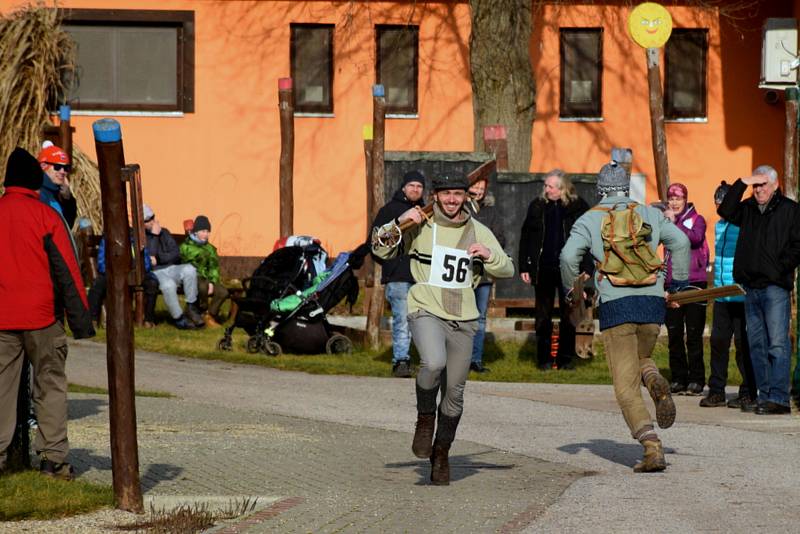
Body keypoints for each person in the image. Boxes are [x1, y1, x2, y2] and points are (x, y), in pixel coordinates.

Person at [372, 171, 513, 485]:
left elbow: (508, 267)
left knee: (455, 394)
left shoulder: (478, 230)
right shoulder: (421, 224)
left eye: (458, 194)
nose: (452, 200)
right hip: (425, 307)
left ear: (466, 197)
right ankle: (424, 420)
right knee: (433, 362)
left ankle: (442, 452)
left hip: (464, 318)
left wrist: (489, 256)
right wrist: (396, 224)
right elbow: (379, 249)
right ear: (434, 195)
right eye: (446, 193)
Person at [560, 161, 690, 473]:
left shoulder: (589, 219)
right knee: (641, 357)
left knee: (624, 385)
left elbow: (567, 257)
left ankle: (651, 446)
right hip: (651, 302)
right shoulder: (650, 213)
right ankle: (655, 380)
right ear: (627, 186)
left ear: (600, 188)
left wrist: (572, 291)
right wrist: (677, 286)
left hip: (617, 304)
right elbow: (682, 242)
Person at [0, 147, 94, 480]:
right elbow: (68, 270)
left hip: (2, 319)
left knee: (2, 389)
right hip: (42, 317)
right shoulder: (45, 215)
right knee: (50, 387)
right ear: (34, 179)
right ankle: (52, 460)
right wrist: (82, 321)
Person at [717, 165, 800, 415]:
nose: (758, 190)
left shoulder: (790, 210)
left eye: (763, 184)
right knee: (757, 345)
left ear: (775, 185)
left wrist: (780, 268)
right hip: (751, 287)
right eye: (755, 185)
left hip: (774, 287)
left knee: (777, 344)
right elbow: (725, 209)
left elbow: (798, 245)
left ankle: (779, 398)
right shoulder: (748, 209)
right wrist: (742, 180)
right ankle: (764, 396)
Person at [519, 169, 591, 371]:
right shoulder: (538, 206)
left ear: (562, 189)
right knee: (543, 315)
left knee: (569, 314)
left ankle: (565, 359)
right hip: (543, 268)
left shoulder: (578, 207)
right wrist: (524, 266)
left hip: (570, 269)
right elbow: (526, 236)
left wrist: (587, 267)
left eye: (550, 186)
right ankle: (543, 359)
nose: (546, 189)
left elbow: (588, 240)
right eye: (546, 185)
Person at [701, 181, 757, 410]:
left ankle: (748, 391)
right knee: (718, 342)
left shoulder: (743, 223)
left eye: (721, 203)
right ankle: (716, 391)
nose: (718, 208)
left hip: (741, 295)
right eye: (716, 203)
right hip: (723, 295)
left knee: (744, 345)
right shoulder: (720, 225)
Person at [371, 170, 426, 378]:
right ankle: (401, 361)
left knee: (422, 321)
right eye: (411, 185)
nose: (415, 189)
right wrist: (389, 264)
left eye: (419, 186)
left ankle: (427, 362)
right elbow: (375, 242)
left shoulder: (426, 212)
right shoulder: (389, 210)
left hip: (420, 276)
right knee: (402, 320)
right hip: (398, 275)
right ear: (403, 187)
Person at [662, 183, 709, 396]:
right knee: (673, 334)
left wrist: (675, 225)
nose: (674, 202)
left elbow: (695, 238)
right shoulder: (666, 221)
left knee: (693, 333)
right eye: (671, 199)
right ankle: (678, 378)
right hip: (672, 284)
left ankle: (697, 379)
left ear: (685, 200)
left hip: (694, 282)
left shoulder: (697, 220)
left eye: (678, 199)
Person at [465, 175, 507, 373]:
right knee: (461, 316)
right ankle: (458, 359)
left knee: (480, 317)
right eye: (475, 186)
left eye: (482, 187)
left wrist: (486, 250)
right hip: (463, 271)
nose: (479, 190)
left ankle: (475, 359)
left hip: (483, 275)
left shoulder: (491, 212)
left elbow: (500, 240)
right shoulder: (461, 209)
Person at [143, 204, 205, 330]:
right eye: (148, 220)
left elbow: (176, 253)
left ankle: (191, 307)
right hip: (155, 272)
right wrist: (154, 236)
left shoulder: (164, 232)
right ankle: (179, 318)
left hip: (171, 267)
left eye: (153, 217)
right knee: (168, 285)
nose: (153, 221)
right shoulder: (141, 236)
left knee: (190, 269)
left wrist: (159, 258)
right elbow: (149, 259)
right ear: (141, 222)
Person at [87, 235, 160, 328]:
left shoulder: (136, 239)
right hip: (113, 273)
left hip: (136, 272)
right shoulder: (107, 240)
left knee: (152, 283)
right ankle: (92, 320)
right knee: (97, 286)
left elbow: (147, 263)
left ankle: (149, 319)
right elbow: (102, 264)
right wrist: (113, 272)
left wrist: (138, 269)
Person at [180, 215, 230, 328]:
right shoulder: (186, 246)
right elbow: (187, 262)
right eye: (203, 231)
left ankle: (209, 315)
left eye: (208, 231)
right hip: (192, 277)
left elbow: (213, 267)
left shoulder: (210, 248)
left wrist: (212, 281)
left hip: (206, 278)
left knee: (223, 292)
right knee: (202, 286)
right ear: (196, 232)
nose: (206, 234)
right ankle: (200, 311)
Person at [37, 141, 77, 228]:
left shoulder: (56, 192)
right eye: (57, 167)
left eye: (66, 168)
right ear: (43, 166)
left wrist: (68, 199)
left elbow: (66, 227)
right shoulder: (38, 193)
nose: (62, 172)